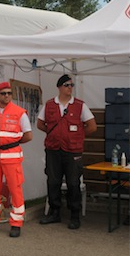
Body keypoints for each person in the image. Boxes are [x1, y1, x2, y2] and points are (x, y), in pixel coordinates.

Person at [37, 74, 96, 230]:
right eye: (66, 85)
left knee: (73, 183)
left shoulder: (80, 105)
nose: (70, 88)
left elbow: (92, 126)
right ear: (59, 87)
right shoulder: (49, 105)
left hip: (72, 151)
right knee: (53, 181)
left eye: (71, 85)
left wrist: (77, 136)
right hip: (53, 149)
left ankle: (74, 215)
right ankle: (54, 212)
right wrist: (54, 134)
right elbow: (40, 124)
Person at [0, 82, 33, 238]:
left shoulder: (19, 113)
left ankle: (16, 224)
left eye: (9, 93)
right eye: (3, 93)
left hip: (12, 157)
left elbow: (28, 135)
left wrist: (12, 143)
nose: (7, 96)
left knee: (15, 190)